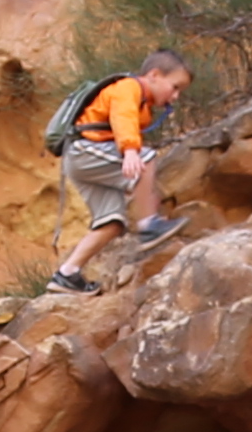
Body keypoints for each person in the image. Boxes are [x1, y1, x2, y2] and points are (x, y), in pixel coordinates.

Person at [44, 52, 192, 290]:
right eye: (174, 87)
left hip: (83, 158)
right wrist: (131, 150)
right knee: (147, 159)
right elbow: (122, 117)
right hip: (85, 151)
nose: (175, 96)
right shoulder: (128, 87)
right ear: (154, 75)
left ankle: (67, 273)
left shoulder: (144, 104)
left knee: (111, 222)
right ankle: (149, 226)